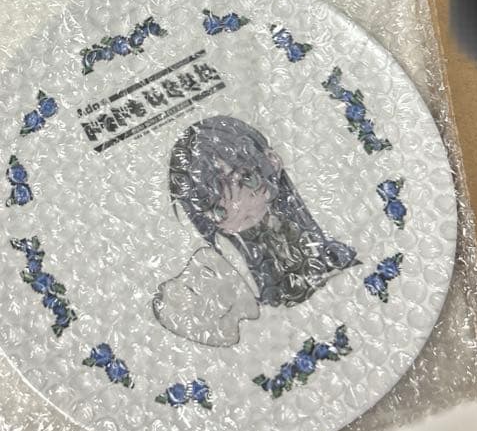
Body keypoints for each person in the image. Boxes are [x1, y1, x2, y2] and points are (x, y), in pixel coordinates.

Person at [153, 116, 358, 345]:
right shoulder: (243, 281)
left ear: (272, 160)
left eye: (246, 180)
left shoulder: (319, 236)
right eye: (219, 210)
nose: (238, 206)